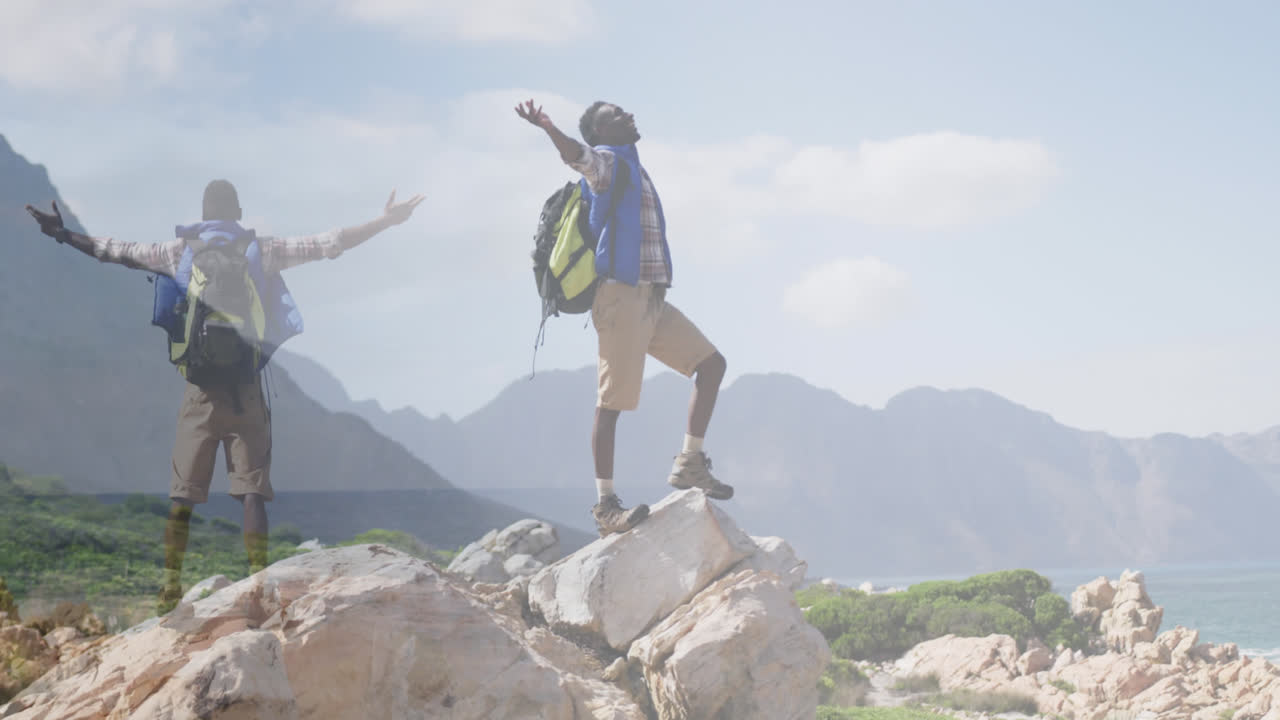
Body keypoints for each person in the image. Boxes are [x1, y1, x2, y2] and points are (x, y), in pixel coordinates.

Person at [25, 180, 424, 612]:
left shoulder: (178, 252)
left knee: (183, 498)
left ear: (203, 213)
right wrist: (385, 221)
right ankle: (257, 585)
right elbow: (329, 243)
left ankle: (170, 586)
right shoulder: (262, 251)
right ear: (237, 214)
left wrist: (63, 234)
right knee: (251, 492)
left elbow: (115, 250)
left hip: (199, 392)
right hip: (246, 392)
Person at [515, 99, 732, 537]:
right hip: (621, 299)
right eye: (616, 115)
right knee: (611, 403)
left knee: (711, 365)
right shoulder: (609, 162)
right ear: (602, 133)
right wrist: (548, 128)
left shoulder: (632, 163)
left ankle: (690, 463)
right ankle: (606, 507)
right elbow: (580, 158)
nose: (628, 115)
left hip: (650, 298)